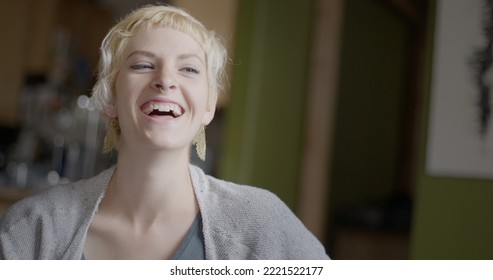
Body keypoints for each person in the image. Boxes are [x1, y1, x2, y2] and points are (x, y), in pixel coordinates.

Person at [0, 4, 329, 260]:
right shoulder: (34, 227)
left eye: (188, 69)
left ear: (208, 106)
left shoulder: (260, 224)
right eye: (142, 65)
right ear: (110, 97)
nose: (166, 80)